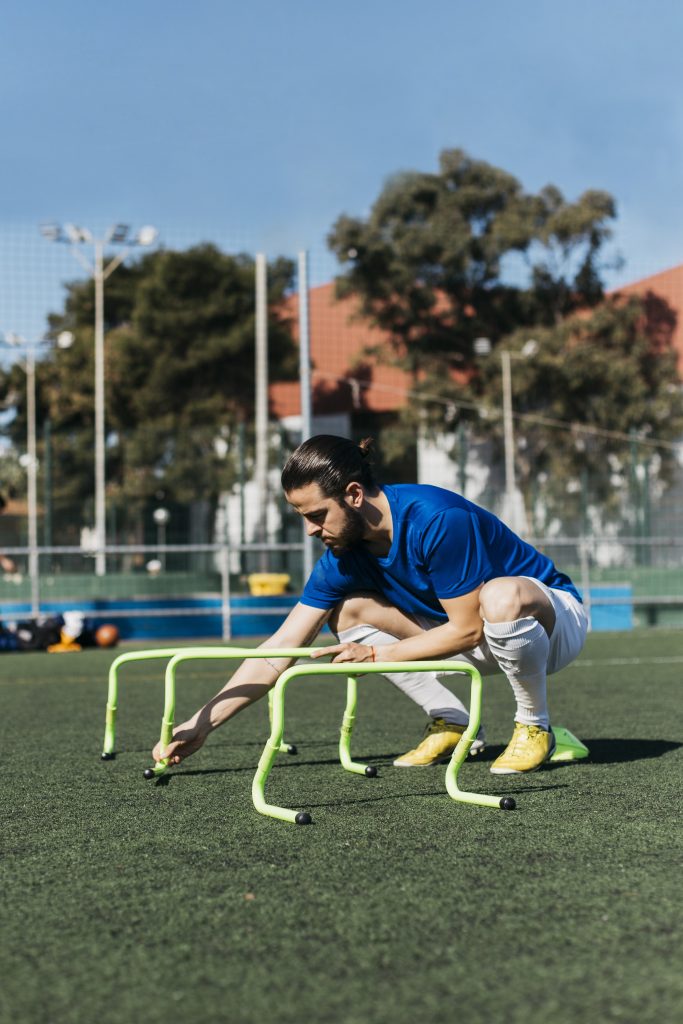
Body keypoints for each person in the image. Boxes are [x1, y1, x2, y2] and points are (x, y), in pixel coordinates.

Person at [153, 435, 588, 776]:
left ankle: (535, 724)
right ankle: (454, 722)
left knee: (499, 596)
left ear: (355, 494)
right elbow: (280, 648)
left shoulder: (437, 520)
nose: (309, 530)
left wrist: (381, 655)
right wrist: (200, 725)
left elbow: (468, 629)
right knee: (348, 611)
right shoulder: (342, 555)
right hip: (460, 637)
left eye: (317, 515)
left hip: (548, 627)